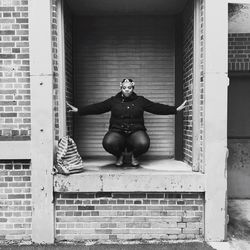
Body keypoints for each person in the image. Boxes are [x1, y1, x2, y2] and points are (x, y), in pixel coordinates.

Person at [67, 78, 186, 167]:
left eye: (129, 87)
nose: (127, 90)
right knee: (108, 142)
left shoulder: (140, 100)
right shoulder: (114, 101)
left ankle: (134, 156)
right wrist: (79, 110)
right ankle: (119, 156)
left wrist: (174, 109)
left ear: (133, 88)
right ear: (121, 88)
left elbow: (156, 107)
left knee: (143, 143)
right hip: (117, 132)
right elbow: (98, 107)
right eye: (124, 87)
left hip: (135, 132)